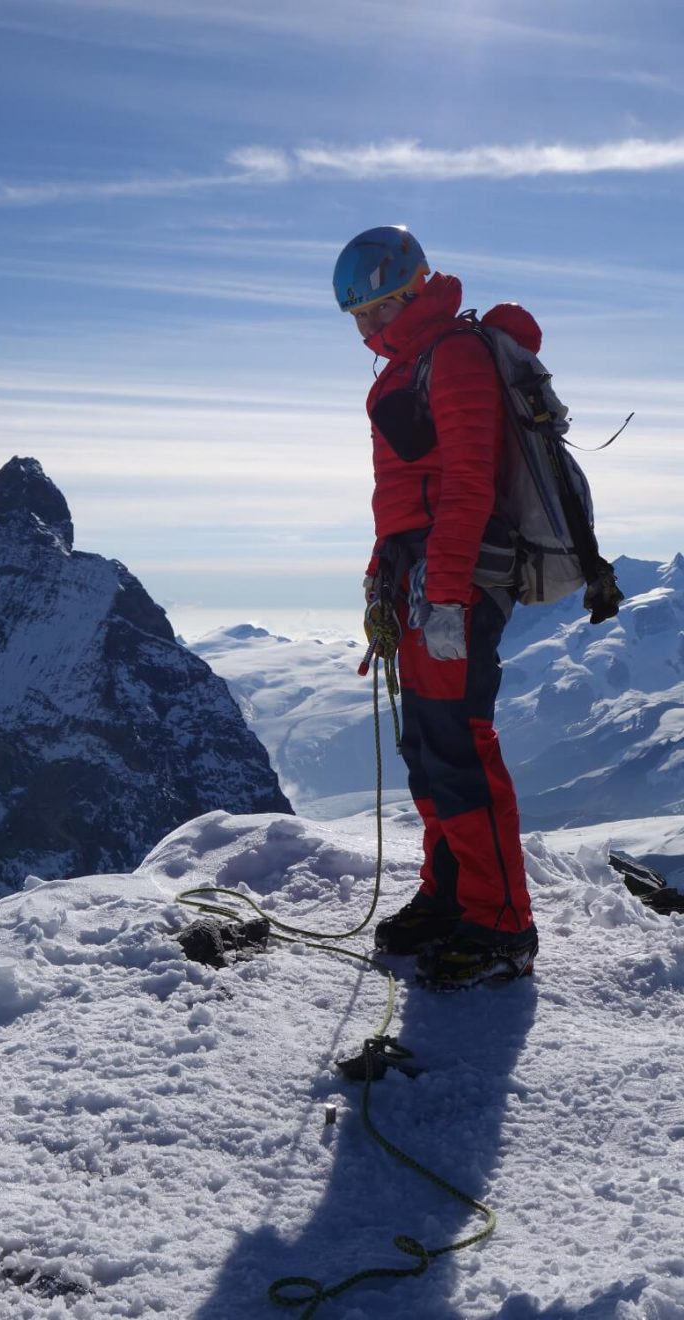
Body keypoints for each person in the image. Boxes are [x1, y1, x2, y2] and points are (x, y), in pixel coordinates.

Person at [333, 225, 538, 990]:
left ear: (412, 291)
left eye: (377, 310)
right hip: (418, 577)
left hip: (455, 579)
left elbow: (468, 483)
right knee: (428, 745)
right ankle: (451, 893)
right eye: (358, 316)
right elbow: (403, 498)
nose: (365, 329)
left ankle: (502, 924)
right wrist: (383, 574)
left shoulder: (451, 355)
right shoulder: (411, 362)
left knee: (460, 746)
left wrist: (447, 592)